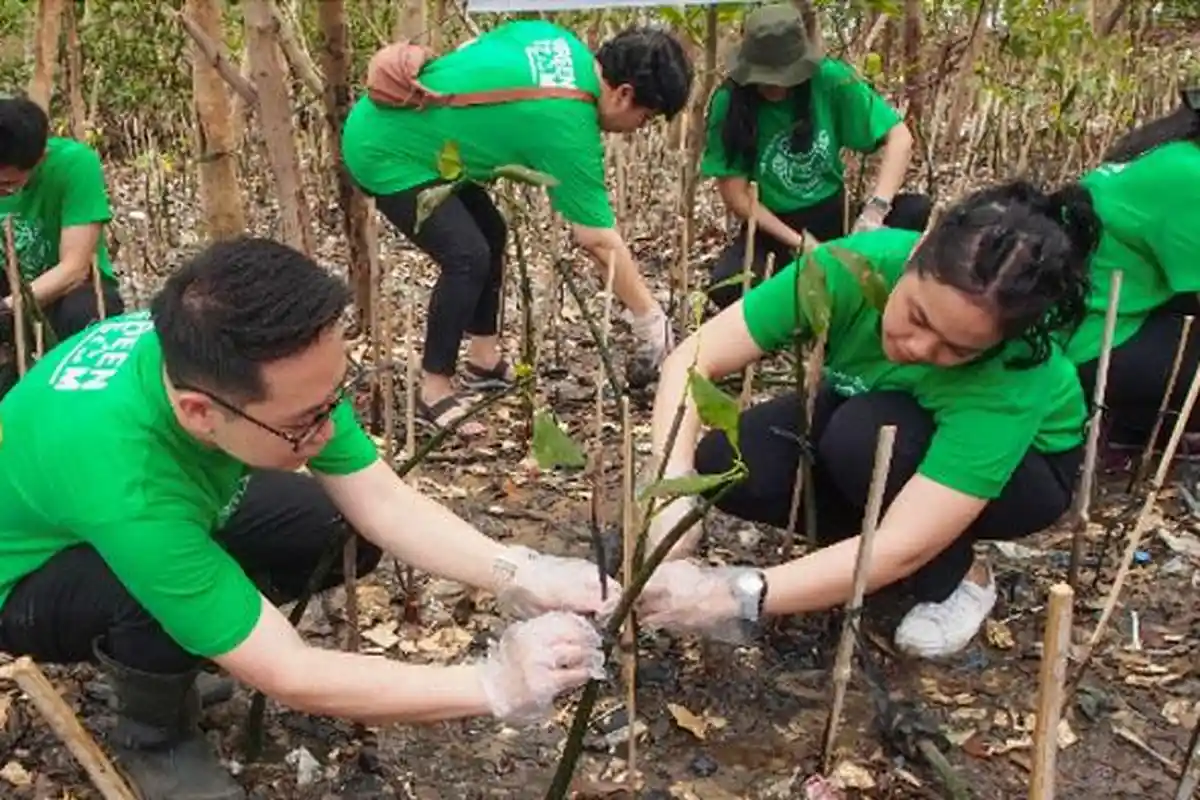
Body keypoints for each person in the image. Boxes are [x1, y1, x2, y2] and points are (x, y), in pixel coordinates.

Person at [0, 236, 615, 800]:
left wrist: (522, 571)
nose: (327, 430)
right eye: (305, 421)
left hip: (139, 508)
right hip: (24, 577)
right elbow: (290, 672)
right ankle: (155, 734)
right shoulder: (126, 478)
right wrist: (492, 686)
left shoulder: (256, 367)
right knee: (142, 597)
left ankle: (197, 637)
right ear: (198, 413)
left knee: (329, 527)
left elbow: (380, 501)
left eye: (334, 399)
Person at [632, 180, 1099, 659]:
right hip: (876, 406)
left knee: (864, 440)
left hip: (1027, 470)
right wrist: (672, 485)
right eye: (917, 316)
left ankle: (961, 577)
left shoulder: (1015, 373)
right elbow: (693, 358)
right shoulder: (850, 267)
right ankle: (856, 559)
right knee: (730, 460)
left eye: (957, 350)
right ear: (919, 247)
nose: (918, 349)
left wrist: (737, 594)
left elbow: (903, 543)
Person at [341, 21, 693, 435]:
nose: (639, 130)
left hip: (418, 139)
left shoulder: (559, 42)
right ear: (624, 94)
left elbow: (476, 46)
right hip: (384, 152)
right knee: (467, 256)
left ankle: (483, 360)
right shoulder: (567, 124)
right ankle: (433, 391)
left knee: (490, 232)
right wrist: (651, 321)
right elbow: (596, 239)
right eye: (646, 117)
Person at [700, 3, 931, 311]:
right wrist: (803, 245)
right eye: (765, 78)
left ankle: (840, 296)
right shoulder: (728, 102)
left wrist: (875, 211)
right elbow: (738, 197)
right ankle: (815, 300)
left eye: (783, 77)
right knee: (727, 285)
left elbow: (900, 137)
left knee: (916, 210)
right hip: (776, 229)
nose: (774, 87)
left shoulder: (830, 79)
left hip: (836, 216)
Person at [1062, 90, 1200, 454]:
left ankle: (1136, 424)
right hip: (1096, 343)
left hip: (1076, 327)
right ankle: (1135, 420)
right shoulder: (1189, 176)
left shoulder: (1162, 150)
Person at [0, 95, 124, 341]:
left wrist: (6, 308)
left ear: (41, 158)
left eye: (7, 184)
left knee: (84, 313)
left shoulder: (75, 165)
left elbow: (74, 269)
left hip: (66, 291)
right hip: (6, 280)